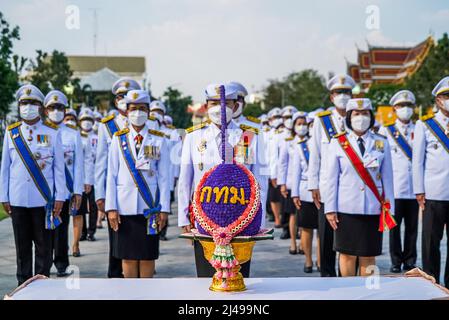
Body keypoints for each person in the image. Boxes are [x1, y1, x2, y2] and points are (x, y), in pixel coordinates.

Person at [177, 82, 268, 277]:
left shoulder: (249, 136)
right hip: (203, 216)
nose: (220, 108)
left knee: (239, 274)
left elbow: (261, 180)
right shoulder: (194, 136)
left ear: (236, 107)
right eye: (214, 103)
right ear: (206, 106)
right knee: (205, 274)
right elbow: (185, 180)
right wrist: (183, 216)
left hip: (241, 215)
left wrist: (259, 219)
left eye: (226, 103)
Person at [0, 84, 65, 285]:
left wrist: (60, 196)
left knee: (44, 248)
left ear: (41, 107)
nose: (27, 106)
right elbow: (5, 168)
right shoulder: (12, 133)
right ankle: (23, 288)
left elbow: (59, 169)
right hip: (18, 199)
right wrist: (4, 196)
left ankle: (42, 287)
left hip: (43, 201)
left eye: (32, 103)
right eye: (24, 103)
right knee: (22, 248)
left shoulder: (52, 133)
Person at [324, 98, 395, 277]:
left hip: (373, 207)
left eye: (365, 113)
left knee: (369, 256)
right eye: (356, 114)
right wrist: (330, 208)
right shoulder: (338, 143)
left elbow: (388, 177)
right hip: (346, 208)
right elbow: (331, 179)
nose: (361, 117)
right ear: (349, 117)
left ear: (371, 117)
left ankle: (367, 294)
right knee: (346, 254)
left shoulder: (381, 142)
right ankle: (347, 294)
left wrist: (389, 206)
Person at [105, 89, 170, 278]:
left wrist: (164, 209)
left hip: (149, 208)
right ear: (127, 111)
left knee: (148, 256)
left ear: (149, 111)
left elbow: (164, 177)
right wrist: (111, 208)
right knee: (128, 257)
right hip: (123, 208)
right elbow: (111, 175)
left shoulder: (158, 138)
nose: (138, 113)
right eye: (133, 108)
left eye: (142, 108)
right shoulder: (119, 139)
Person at [308, 74, 355, 277]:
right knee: (326, 236)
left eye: (346, 92)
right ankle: (327, 276)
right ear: (331, 96)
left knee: (349, 238)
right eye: (338, 92)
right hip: (327, 186)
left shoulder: (359, 117)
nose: (342, 96)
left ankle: (349, 277)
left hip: (352, 188)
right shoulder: (322, 121)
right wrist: (313, 184)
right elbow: (315, 154)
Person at [95, 78, 141, 278]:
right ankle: (115, 277)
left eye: (128, 97)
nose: (124, 101)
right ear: (116, 102)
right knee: (116, 239)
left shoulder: (147, 125)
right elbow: (100, 163)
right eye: (120, 97)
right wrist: (100, 194)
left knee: (140, 241)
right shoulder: (107, 126)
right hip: (115, 191)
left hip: (141, 194)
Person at [413, 76, 449, 288]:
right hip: (433, 194)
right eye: (446, 96)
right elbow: (418, 161)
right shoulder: (425, 125)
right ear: (437, 100)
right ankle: (431, 283)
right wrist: (419, 190)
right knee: (430, 242)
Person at [44, 91, 84, 276]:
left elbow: (78, 165)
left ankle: (61, 263)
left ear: (65, 110)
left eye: (60, 108)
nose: (56, 111)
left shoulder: (73, 134)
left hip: (64, 190)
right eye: (52, 107)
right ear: (45, 111)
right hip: (43, 191)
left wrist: (77, 191)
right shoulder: (40, 133)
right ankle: (43, 264)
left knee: (61, 229)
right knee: (43, 232)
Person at [379, 90, 418, 273]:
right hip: (394, 188)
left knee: (412, 228)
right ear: (394, 108)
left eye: (409, 106)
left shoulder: (419, 129)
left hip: (414, 188)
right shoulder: (385, 130)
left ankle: (410, 260)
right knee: (394, 228)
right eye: (402, 106)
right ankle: (395, 261)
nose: (406, 109)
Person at [289, 112, 321, 272]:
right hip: (306, 192)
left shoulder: (327, 143)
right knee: (307, 228)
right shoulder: (302, 145)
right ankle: (308, 260)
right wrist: (295, 193)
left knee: (322, 230)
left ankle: (321, 260)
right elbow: (295, 171)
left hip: (324, 193)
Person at [149, 101, 181, 241]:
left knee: (164, 201)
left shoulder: (171, 133)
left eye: (159, 112)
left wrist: (175, 175)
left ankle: (162, 231)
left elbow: (176, 155)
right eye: (153, 111)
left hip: (167, 172)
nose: (156, 114)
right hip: (151, 175)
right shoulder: (148, 132)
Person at [78, 108, 98, 243]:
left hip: (95, 177)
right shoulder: (77, 137)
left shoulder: (98, 137)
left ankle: (91, 231)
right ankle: (83, 232)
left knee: (93, 206)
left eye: (89, 120)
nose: (86, 123)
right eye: (84, 120)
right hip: (81, 177)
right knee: (81, 207)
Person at [266, 107, 283, 228]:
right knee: (274, 197)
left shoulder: (285, 134)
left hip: (283, 171)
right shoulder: (267, 134)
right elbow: (267, 156)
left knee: (283, 198)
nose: (277, 120)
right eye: (274, 118)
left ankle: (282, 218)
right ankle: (277, 218)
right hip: (271, 171)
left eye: (279, 117)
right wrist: (270, 174)